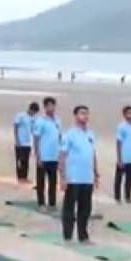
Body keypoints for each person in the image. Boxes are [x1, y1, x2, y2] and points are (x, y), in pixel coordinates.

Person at [59, 105, 98, 243]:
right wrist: (63, 177)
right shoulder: (69, 134)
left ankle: (83, 236)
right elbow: (62, 156)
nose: (85, 116)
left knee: (85, 209)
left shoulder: (90, 134)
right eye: (82, 113)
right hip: (73, 178)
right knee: (69, 208)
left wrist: (96, 174)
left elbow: (92, 154)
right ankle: (68, 236)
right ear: (75, 115)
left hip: (87, 178)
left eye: (87, 114)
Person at [33, 97, 61, 210]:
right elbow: (36, 138)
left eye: (53, 105)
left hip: (54, 156)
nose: (51, 108)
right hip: (43, 156)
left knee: (53, 182)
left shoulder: (57, 120)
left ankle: (52, 202)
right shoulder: (40, 121)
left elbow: (59, 137)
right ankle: (41, 203)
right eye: (49, 106)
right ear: (45, 107)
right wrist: (38, 156)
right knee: (41, 182)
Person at [13, 102, 39, 184]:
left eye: (35, 113)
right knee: (20, 160)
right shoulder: (21, 116)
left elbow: (33, 130)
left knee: (26, 161)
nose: (33, 114)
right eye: (33, 112)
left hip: (28, 143)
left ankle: (24, 177)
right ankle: (20, 177)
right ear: (30, 109)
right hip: (20, 142)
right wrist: (17, 140)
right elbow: (15, 127)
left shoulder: (33, 118)